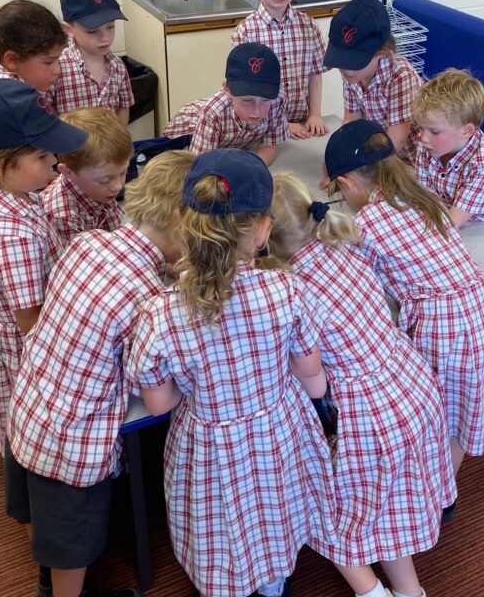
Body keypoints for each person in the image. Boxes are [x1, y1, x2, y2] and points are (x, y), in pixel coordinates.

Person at [125, 149, 335, 597]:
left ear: (184, 220)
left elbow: (160, 403)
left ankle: (224, 585)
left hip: (208, 447)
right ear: (262, 229)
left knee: (217, 527)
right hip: (278, 432)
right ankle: (273, 583)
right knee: (276, 512)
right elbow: (311, 374)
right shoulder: (287, 290)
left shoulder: (158, 313)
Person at [6, 151, 194, 597]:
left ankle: (49, 580)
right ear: (182, 225)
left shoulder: (89, 242)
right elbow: (149, 383)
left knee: (51, 531)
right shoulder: (148, 297)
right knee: (74, 544)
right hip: (77, 443)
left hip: (31, 410)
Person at [266, 173, 456, 597]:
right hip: (410, 384)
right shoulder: (342, 245)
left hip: (368, 413)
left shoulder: (294, 289)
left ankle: (372, 593)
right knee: (381, 506)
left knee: (330, 511)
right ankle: (411, 591)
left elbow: (314, 384)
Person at [323, 119, 484, 486]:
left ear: (347, 184)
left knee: (439, 412)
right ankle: (446, 489)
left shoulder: (367, 224)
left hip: (444, 330)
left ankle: (432, 491)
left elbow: (359, 289)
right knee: (460, 412)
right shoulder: (422, 199)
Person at [0, 79, 87, 459]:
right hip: (31, 349)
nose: (55, 165)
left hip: (23, 334)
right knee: (35, 438)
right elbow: (31, 320)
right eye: (42, 158)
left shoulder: (13, 196)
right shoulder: (14, 236)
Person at [231, 0, 328, 139]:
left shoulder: (309, 27)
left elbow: (315, 75)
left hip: (303, 124)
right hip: (263, 127)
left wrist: (315, 115)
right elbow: (245, 94)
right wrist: (282, 124)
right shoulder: (245, 32)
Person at [412, 68, 484, 239]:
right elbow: (425, 199)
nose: (422, 137)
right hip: (456, 222)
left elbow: (450, 224)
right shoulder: (429, 145)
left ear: (466, 131)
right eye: (421, 128)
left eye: (434, 131)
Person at [324, 0, 421, 158]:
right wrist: (340, 159)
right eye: (342, 61)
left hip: (408, 160)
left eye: (354, 62)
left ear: (381, 53)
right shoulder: (352, 75)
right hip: (378, 151)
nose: (346, 69)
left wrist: (361, 168)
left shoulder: (401, 76)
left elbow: (397, 140)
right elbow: (351, 122)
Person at [162, 42, 288, 165]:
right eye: (247, 100)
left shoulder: (279, 101)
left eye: (265, 100)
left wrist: (252, 169)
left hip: (228, 145)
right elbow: (201, 164)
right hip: (185, 134)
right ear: (227, 88)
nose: (257, 111)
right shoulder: (212, 113)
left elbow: (269, 146)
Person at [41, 107, 132, 243]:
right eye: (105, 180)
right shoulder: (62, 215)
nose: (118, 186)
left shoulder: (100, 189)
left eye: (123, 172)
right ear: (68, 172)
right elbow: (82, 262)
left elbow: (115, 235)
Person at [51, 0, 134, 125]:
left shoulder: (118, 66)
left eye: (110, 27)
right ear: (68, 29)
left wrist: (120, 142)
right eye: (92, 31)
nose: (105, 38)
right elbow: (46, 117)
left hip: (110, 146)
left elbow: (124, 106)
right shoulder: (57, 68)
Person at [0, 0, 67, 102]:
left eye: (58, 59)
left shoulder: (27, 80)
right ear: (13, 60)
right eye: (48, 62)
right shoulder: (4, 95)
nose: (57, 70)